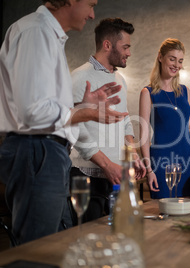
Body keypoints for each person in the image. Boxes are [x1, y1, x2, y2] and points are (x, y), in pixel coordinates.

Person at [0, 0, 128, 244]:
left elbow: (40, 106)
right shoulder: (35, 32)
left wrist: (82, 106)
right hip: (38, 151)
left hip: (47, 152)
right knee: (39, 249)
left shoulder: (46, 34)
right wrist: (86, 113)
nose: (92, 15)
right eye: (90, 4)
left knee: (59, 243)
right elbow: (32, 112)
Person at [69, 18, 146, 224]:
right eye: (126, 47)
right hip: (87, 176)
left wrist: (132, 153)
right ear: (107, 45)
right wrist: (106, 164)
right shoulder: (79, 77)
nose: (129, 52)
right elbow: (75, 128)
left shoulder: (119, 79)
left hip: (115, 175)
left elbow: (125, 119)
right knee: (88, 238)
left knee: (114, 236)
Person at [139, 38, 190, 199]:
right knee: (163, 210)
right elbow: (144, 136)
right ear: (160, 57)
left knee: (187, 211)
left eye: (180, 61)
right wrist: (149, 170)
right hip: (161, 161)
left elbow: (189, 124)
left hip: (187, 159)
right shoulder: (148, 93)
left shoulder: (185, 91)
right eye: (172, 59)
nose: (176, 65)